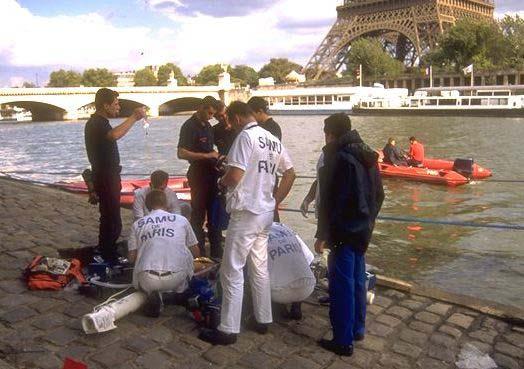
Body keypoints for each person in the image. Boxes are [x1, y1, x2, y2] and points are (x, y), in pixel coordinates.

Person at [199, 101, 296, 345]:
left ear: (238, 117)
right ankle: (263, 319)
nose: (229, 125)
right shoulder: (271, 137)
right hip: (265, 212)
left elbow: (235, 176)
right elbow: (290, 173)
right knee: (259, 267)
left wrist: (221, 182)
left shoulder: (245, 137)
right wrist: (276, 200)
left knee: (231, 269)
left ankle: (228, 328)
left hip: (246, 212)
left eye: (230, 120)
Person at [314, 113, 384, 357]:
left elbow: (331, 202)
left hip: (343, 230)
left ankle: (343, 341)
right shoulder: (367, 155)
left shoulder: (338, 157)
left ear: (330, 133)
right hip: (362, 229)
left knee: (341, 286)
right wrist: (368, 220)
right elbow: (379, 195)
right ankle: (357, 329)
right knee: (356, 281)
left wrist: (322, 233)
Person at [84, 88, 146, 263]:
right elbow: (114, 135)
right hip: (105, 176)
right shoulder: (97, 122)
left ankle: (106, 251)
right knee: (112, 219)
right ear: (105, 105)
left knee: (109, 217)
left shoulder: (98, 122)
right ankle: (108, 254)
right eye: (116, 104)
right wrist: (133, 117)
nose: (118, 107)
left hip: (106, 175)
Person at [128, 190, 199, 317]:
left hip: (147, 280)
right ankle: (176, 294)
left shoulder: (137, 224)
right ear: (166, 203)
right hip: (176, 278)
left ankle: (156, 295)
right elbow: (196, 251)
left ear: (147, 205)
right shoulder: (181, 220)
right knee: (186, 250)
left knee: (144, 254)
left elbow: (132, 258)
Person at [177, 96, 222, 258]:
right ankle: (199, 253)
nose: (211, 117)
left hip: (212, 173)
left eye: (213, 114)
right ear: (201, 108)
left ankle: (216, 252)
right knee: (198, 214)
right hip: (198, 174)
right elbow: (181, 153)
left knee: (214, 214)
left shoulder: (208, 126)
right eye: (209, 113)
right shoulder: (189, 126)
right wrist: (206, 155)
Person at [268, 222, 316, 321]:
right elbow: (309, 258)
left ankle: (278, 307)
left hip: (279, 293)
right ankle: (296, 306)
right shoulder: (284, 227)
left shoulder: (252, 232)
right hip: (308, 286)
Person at [247, 96, 283, 221]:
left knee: (270, 211)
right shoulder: (269, 127)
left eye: (252, 114)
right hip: (265, 173)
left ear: (260, 111)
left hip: (267, 174)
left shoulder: (271, 128)